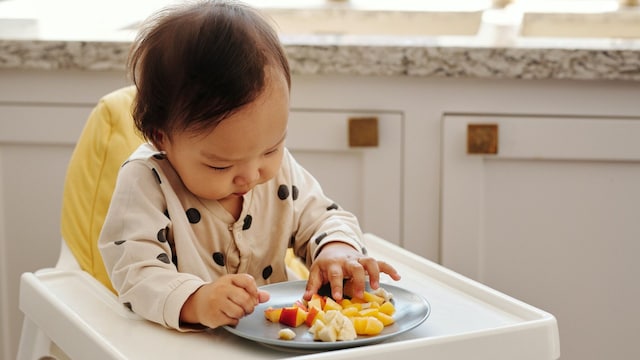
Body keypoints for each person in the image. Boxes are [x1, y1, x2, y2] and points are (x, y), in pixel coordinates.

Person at [98, 0, 400, 332]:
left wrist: (336, 249)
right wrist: (196, 301)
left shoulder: (278, 170)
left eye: (271, 149)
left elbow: (323, 217)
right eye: (220, 165)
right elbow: (135, 272)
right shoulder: (146, 182)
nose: (251, 175)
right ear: (162, 138)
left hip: (278, 339)